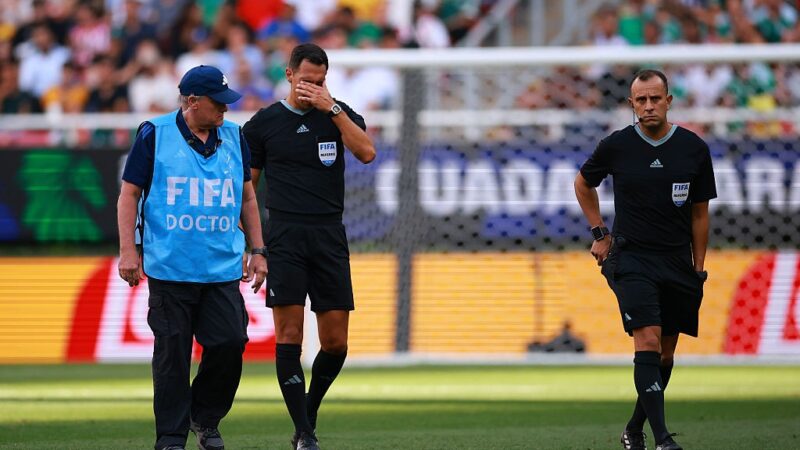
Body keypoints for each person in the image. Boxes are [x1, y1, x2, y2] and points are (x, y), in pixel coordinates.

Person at [117, 65, 267, 450]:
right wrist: (128, 252)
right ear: (191, 101)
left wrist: (259, 250)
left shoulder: (234, 135)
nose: (225, 110)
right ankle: (170, 437)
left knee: (230, 344)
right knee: (172, 357)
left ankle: (204, 417)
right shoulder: (155, 133)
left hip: (222, 268)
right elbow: (129, 194)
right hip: (170, 269)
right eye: (217, 103)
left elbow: (248, 197)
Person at [242, 43, 376, 450]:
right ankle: (305, 433)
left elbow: (367, 153)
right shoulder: (262, 125)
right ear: (288, 75)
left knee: (336, 342)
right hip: (284, 235)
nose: (312, 89)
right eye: (306, 81)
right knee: (290, 335)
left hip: (328, 234)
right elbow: (247, 188)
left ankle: (308, 412)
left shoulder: (338, 114)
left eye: (319, 82)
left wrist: (331, 108)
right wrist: (255, 246)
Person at [574, 69, 716, 450]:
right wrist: (599, 234)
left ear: (669, 101)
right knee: (648, 340)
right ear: (631, 104)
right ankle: (663, 439)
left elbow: (700, 213)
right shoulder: (617, 145)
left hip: (676, 261)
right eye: (641, 100)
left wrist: (698, 266)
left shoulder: (693, 148)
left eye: (656, 99)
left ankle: (634, 428)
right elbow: (583, 182)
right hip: (631, 257)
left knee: (665, 353)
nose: (649, 106)